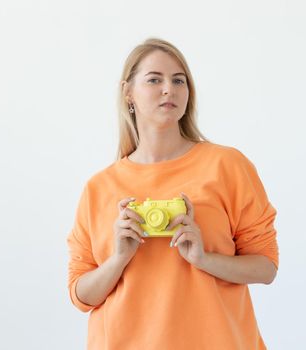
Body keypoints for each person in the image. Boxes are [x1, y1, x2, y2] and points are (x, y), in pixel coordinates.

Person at [67, 38, 279, 350]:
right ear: (128, 92)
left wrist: (203, 258)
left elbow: (266, 267)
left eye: (179, 80)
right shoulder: (99, 187)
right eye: (155, 79)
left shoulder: (227, 165)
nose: (169, 89)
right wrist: (119, 259)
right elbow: (81, 295)